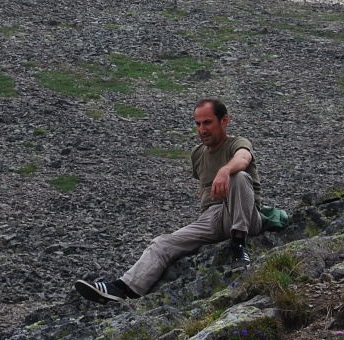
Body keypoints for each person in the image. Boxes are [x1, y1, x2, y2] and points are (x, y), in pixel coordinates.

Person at [75, 98, 262, 303]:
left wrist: (225, 170)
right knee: (162, 243)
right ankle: (124, 288)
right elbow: (203, 187)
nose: (202, 129)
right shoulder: (198, 154)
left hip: (243, 214)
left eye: (207, 122)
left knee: (239, 177)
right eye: (198, 124)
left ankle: (238, 246)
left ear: (224, 120)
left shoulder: (237, 144)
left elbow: (243, 159)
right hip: (212, 219)